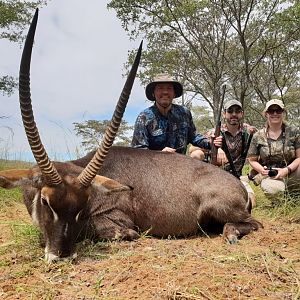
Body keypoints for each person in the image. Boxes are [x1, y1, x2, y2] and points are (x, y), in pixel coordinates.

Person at [131, 73, 222, 153]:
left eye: (169, 88)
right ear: (153, 93)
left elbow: (193, 137)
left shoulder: (184, 113)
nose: (165, 92)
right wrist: (159, 154)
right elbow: (138, 151)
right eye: (160, 88)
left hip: (181, 165)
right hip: (154, 168)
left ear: (174, 94)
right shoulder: (144, 117)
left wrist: (210, 142)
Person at [189, 100, 257, 205]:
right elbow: (192, 149)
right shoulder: (213, 132)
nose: (234, 114)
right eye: (230, 111)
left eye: (237, 111)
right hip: (214, 177)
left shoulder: (249, 131)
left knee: (250, 201)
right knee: (196, 154)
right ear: (224, 114)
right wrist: (214, 147)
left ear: (242, 114)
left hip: (236, 178)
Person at [247, 99, 300, 200]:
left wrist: (286, 170)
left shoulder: (294, 131)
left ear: (283, 112)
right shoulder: (258, 136)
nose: (275, 113)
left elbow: (299, 157)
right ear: (266, 114)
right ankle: (282, 197)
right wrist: (262, 170)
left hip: (292, 172)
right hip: (271, 176)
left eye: (278, 110)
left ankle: (294, 194)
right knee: (273, 190)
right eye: (271, 111)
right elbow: (252, 160)